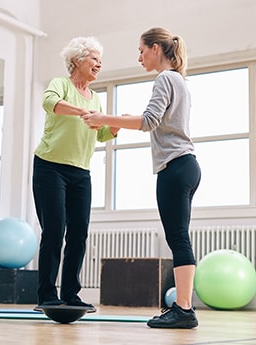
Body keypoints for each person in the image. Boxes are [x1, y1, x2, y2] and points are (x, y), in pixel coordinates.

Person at [82, 27, 201, 328]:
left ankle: (184, 310)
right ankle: (185, 309)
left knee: (178, 238)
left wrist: (104, 118)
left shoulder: (165, 78)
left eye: (141, 50)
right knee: (180, 237)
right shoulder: (180, 81)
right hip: (186, 165)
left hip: (175, 166)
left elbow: (149, 121)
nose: (139, 57)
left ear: (156, 48)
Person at [32, 36, 118, 311]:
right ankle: (47, 293)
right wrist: (82, 111)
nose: (99, 63)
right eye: (94, 58)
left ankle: (71, 292)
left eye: (99, 59)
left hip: (80, 172)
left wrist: (114, 127)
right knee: (54, 230)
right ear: (77, 60)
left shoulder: (97, 98)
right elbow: (50, 103)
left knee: (78, 233)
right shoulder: (61, 84)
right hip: (50, 167)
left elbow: (101, 133)